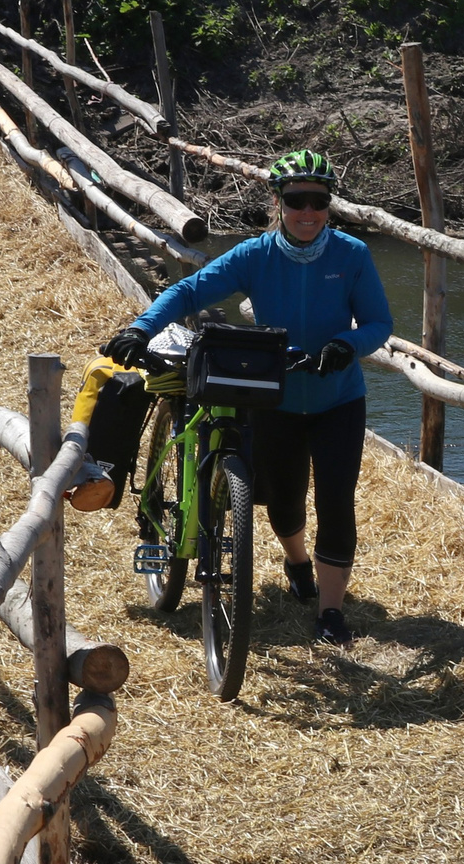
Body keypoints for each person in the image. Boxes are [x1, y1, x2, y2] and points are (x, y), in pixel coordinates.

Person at [102, 150, 392, 648]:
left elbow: (378, 324)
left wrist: (346, 346)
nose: (308, 212)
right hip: (273, 398)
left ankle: (330, 612)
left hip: (337, 400)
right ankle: (297, 561)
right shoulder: (255, 255)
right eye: (296, 200)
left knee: (336, 501)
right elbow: (191, 291)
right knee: (282, 499)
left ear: (329, 205)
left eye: (318, 202)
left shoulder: (352, 256)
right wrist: (142, 326)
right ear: (277, 202)